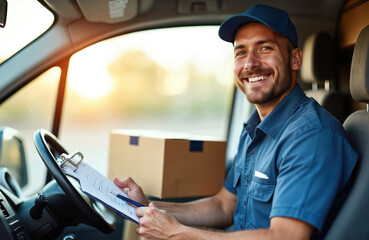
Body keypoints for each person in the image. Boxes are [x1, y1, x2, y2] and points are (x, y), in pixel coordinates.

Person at [114, 4, 357, 240]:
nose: (250, 63)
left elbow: (286, 236)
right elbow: (223, 205)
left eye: (265, 48)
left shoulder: (312, 135)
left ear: (295, 59)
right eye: (241, 52)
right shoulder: (254, 129)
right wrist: (146, 206)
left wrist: (176, 233)